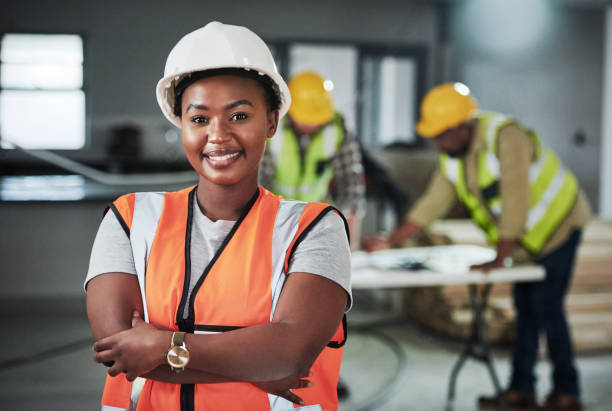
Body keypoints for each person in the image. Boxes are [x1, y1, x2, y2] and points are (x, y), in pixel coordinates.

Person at [85, 21, 351, 411]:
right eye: (199, 119)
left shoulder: (315, 228)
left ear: (272, 122)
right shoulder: (129, 219)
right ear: (181, 125)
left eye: (239, 116)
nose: (218, 135)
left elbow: (291, 352)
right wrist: (257, 366)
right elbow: (117, 351)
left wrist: (162, 345)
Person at [362, 83, 591, 411]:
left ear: (462, 127)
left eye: (442, 135)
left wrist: (500, 257)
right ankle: (521, 391)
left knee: (547, 309)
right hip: (528, 242)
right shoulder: (454, 157)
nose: (438, 143)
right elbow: (433, 203)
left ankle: (567, 392)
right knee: (526, 310)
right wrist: (391, 240)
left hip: (559, 227)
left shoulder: (506, 138)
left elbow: (516, 198)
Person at [259, 70, 366, 249]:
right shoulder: (270, 129)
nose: (311, 125)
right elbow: (260, 185)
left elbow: (351, 189)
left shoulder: (338, 130)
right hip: (275, 217)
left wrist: (349, 249)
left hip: (317, 216)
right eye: (305, 119)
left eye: (315, 120)